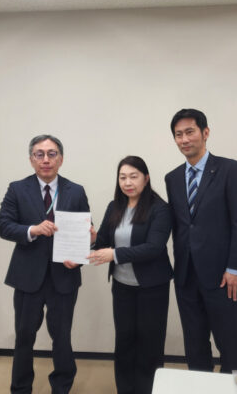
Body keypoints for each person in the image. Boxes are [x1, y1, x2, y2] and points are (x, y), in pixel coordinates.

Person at [0, 134, 91, 394]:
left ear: (61, 158)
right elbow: (3, 225)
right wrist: (33, 230)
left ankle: (61, 387)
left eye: (52, 154)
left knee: (62, 338)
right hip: (27, 277)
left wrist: (81, 254)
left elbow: (85, 230)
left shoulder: (76, 190)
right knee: (24, 337)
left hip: (64, 277)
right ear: (31, 159)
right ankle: (20, 388)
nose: (46, 159)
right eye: (40, 154)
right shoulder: (17, 189)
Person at [165, 109, 237, 373]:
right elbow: (178, 224)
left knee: (229, 345)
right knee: (195, 346)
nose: (184, 139)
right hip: (186, 276)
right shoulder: (172, 178)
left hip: (224, 277)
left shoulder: (230, 170)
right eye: (178, 134)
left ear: (205, 133)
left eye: (189, 132)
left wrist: (236, 268)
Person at [88, 156, 173, 394]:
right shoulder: (114, 206)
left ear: (146, 178)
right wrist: (93, 239)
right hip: (122, 286)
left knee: (149, 343)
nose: (128, 182)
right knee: (124, 341)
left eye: (133, 177)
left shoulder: (160, 209)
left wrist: (114, 254)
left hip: (152, 287)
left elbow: (153, 248)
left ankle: (147, 389)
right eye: (123, 177)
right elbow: (103, 241)